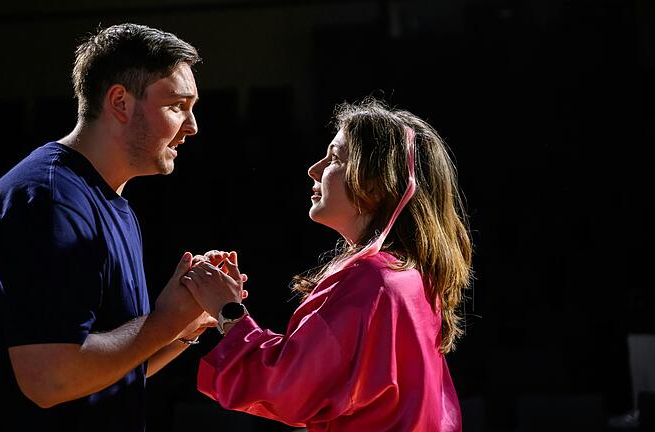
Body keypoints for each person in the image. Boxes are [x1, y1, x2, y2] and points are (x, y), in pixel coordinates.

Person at [0, 23, 218, 431]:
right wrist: (162, 322)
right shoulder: (50, 200)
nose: (192, 125)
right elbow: (50, 379)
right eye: (177, 105)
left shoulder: (105, 200)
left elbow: (99, 374)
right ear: (120, 103)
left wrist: (181, 327)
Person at [182, 98, 473, 431]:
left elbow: (291, 388)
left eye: (334, 157)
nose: (314, 169)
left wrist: (228, 312)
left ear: (375, 184)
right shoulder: (408, 275)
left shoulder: (372, 280)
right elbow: (320, 377)